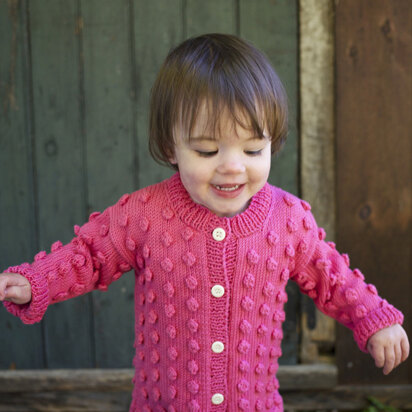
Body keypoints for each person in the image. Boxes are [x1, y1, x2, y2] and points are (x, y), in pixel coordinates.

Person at [0, 33, 409, 412]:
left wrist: (375, 319)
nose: (232, 167)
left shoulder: (288, 220)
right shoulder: (143, 215)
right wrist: (37, 281)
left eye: (253, 149)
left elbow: (332, 276)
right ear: (170, 146)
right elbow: (88, 256)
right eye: (207, 149)